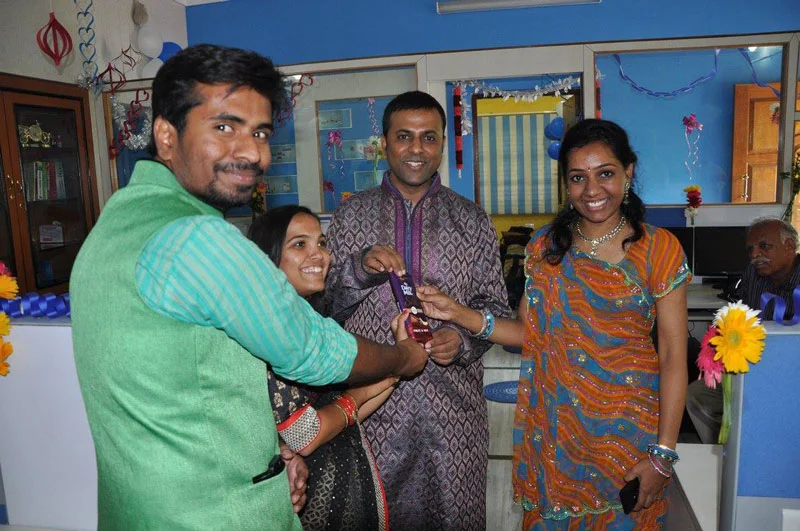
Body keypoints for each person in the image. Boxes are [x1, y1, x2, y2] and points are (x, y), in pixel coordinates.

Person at [69, 44, 428, 531]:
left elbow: (179, 394)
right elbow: (314, 352)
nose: (252, 152)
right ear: (167, 136)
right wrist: (404, 358)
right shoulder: (198, 237)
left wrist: (275, 457)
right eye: (224, 127)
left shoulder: (114, 224)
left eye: (259, 132)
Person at [417, 118, 690, 529]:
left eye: (605, 174)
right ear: (565, 183)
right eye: (578, 178)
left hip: (627, 438)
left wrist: (663, 455)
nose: (592, 190)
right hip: (557, 438)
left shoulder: (658, 249)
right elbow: (527, 333)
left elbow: (672, 357)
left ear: (628, 172)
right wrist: (458, 313)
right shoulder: (547, 246)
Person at [324, 90, 511, 530]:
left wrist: (460, 341)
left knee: (455, 517)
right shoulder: (350, 217)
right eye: (404, 136)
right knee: (372, 516)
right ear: (384, 144)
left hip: (453, 414)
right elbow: (324, 309)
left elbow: (495, 308)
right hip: (371, 405)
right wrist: (359, 269)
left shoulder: (472, 220)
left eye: (429, 137)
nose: (417, 149)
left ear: (442, 143)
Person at [248, 205, 399, 531]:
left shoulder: (312, 323)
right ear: (268, 259)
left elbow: (344, 412)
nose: (319, 254)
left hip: (342, 486)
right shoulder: (268, 332)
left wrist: (398, 365)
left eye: (321, 243)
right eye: (299, 244)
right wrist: (367, 389)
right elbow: (304, 435)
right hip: (310, 498)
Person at [686, 216, 800, 443]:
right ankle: (727, 449)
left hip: (790, 376)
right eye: (750, 249)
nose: (754, 254)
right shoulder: (753, 274)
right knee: (696, 394)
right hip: (750, 368)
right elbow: (739, 311)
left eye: (764, 246)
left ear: (789, 246)